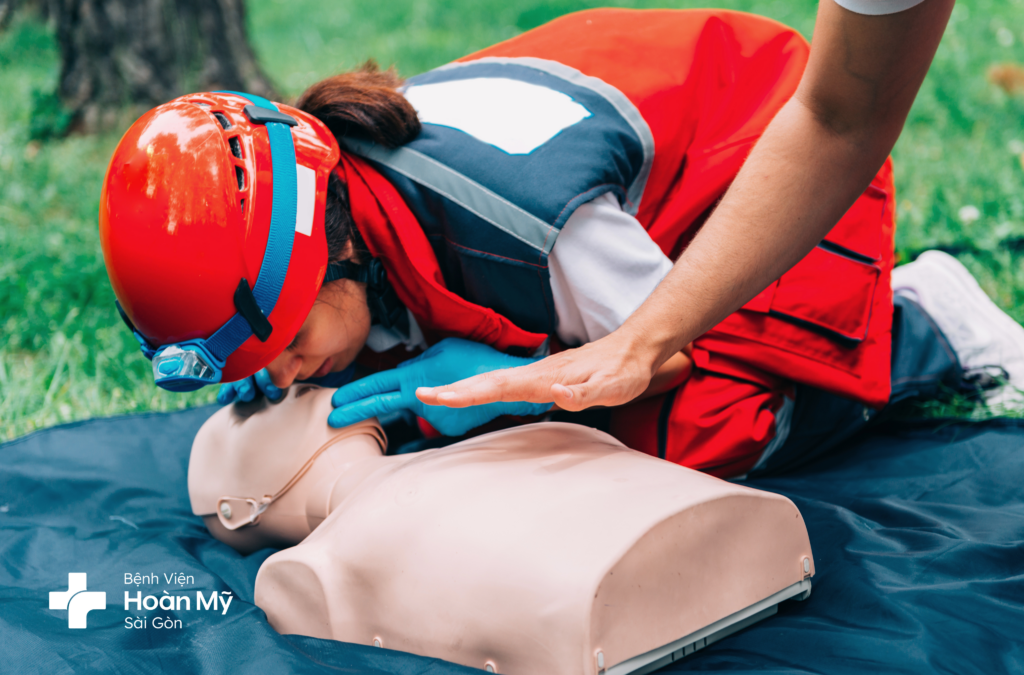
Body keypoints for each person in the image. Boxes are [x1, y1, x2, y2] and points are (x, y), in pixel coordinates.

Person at [102, 7, 1012, 480]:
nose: (284, 372)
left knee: (694, 437)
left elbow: (657, 354)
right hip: (638, 192)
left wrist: (521, 388)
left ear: (335, 253)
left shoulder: (533, 229)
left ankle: (924, 321)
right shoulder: (349, 192)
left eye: (288, 339)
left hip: (767, 168)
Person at [189, 383, 815, 674]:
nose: (285, 385)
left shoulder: (309, 566)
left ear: (236, 510)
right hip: (756, 535)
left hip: (599, 617)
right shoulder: (531, 437)